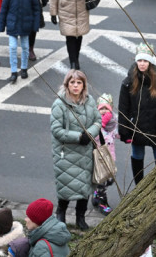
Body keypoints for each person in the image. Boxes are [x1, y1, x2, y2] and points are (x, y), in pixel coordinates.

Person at [50, 69, 101, 230]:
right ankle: (61, 214)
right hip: (66, 153)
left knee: (84, 187)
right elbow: (56, 130)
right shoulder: (59, 104)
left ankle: (80, 217)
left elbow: (97, 121)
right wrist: (79, 136)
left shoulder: (90, 101)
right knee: (66, 185)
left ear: (83, 85)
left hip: (85, 152)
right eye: (72, 82)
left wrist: (89, 134)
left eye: (79, 82)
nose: (76, 86)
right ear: (67, 84)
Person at [118, 43, 156, 184]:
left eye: (145, 61)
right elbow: (123, 108)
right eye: (140, 60)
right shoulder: (128, 82)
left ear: (150, 62)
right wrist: (124, 130)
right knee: (137, 156)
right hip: (138, 126)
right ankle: (139, 186)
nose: (142, 64)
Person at [0, 0, 41, 83]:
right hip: (12, 24)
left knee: (25, 47)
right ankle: (13, 71)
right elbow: (4, 8)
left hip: (25, 25)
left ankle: (23, 68)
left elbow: (36, 9)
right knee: (12, 47)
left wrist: (35, 25)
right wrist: (1, 25)